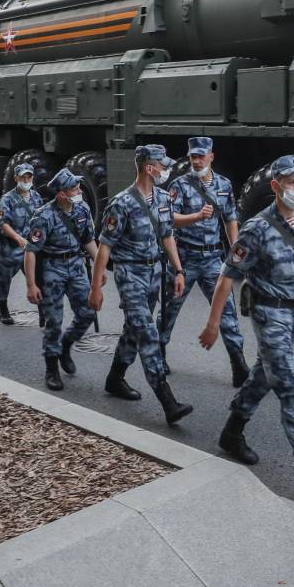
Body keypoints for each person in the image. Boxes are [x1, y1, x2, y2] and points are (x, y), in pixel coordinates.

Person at [199, 154, 294, 505]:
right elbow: (227, 278)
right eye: (290, 183)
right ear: (275, 186)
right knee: (292, 388)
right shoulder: (256, 230)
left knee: (263, 376)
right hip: (269, 316)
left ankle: (232, 431)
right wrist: (212, 324)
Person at [90, 144, 194, 425]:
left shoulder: (162, 198)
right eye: (163, 165)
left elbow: (167, 236)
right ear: (150, 168)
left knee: (133, 331)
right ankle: (168, 402)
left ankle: (115, 378)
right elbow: (105, 246)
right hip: (130, 275)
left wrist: (179, 269)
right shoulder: (122, 203)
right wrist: (96, 286)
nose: (166, 170)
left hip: (154, 274)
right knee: (148, 334)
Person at [161, 137, 248, 387]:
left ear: (211, 156)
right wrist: (196, 216)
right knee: (169, 310)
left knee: (227, 311)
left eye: (201, 156)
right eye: (192, 157)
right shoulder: (180, 184)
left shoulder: (223, 185)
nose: (196, 161)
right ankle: (159, 352)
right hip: (185, 257)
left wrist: (234, 252)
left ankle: (238, 362)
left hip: (213, 259)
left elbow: (230, 219)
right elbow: (170, 220)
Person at [24, 168, 100, 391]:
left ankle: (66, 345)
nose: (79, 192)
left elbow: (88, 239)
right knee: (54, 321)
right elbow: (31, 251)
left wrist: (99, 267)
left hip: (76, 266)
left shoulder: (82, 209)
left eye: (78, 187)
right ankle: (52, 368)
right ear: (61, 194)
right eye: (74, 189)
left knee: (88, 312)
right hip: (53, 269)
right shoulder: (43, 216)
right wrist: (31, 285)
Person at [0, 163, 43, 325]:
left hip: (32, 248)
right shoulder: (7, 199)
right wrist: (17, 238)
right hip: (12, 248)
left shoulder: (36, 197)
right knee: (3, 279)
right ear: (16, 178)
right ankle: (3, 310)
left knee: (39, 279)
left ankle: (43, 312)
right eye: (23, 177)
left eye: (29, 177)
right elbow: (3, 223)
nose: (26, 180)